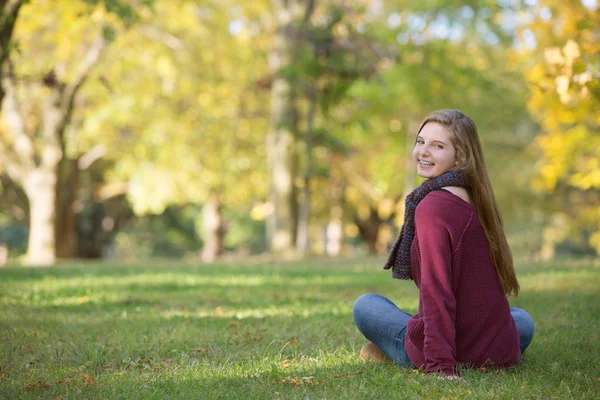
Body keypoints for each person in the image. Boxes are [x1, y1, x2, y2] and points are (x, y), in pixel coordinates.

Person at [352, 109, 534, 378]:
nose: (423, 151)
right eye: (421, 141)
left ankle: (398, 350)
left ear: (459, 157)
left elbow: (437, 292)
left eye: (437, 146)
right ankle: (401, 347)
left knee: (366, 305)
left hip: (449, 349)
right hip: (494, 350)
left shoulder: (432, 207)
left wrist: (440, 367)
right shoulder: (478, 199)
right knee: (522, 320)